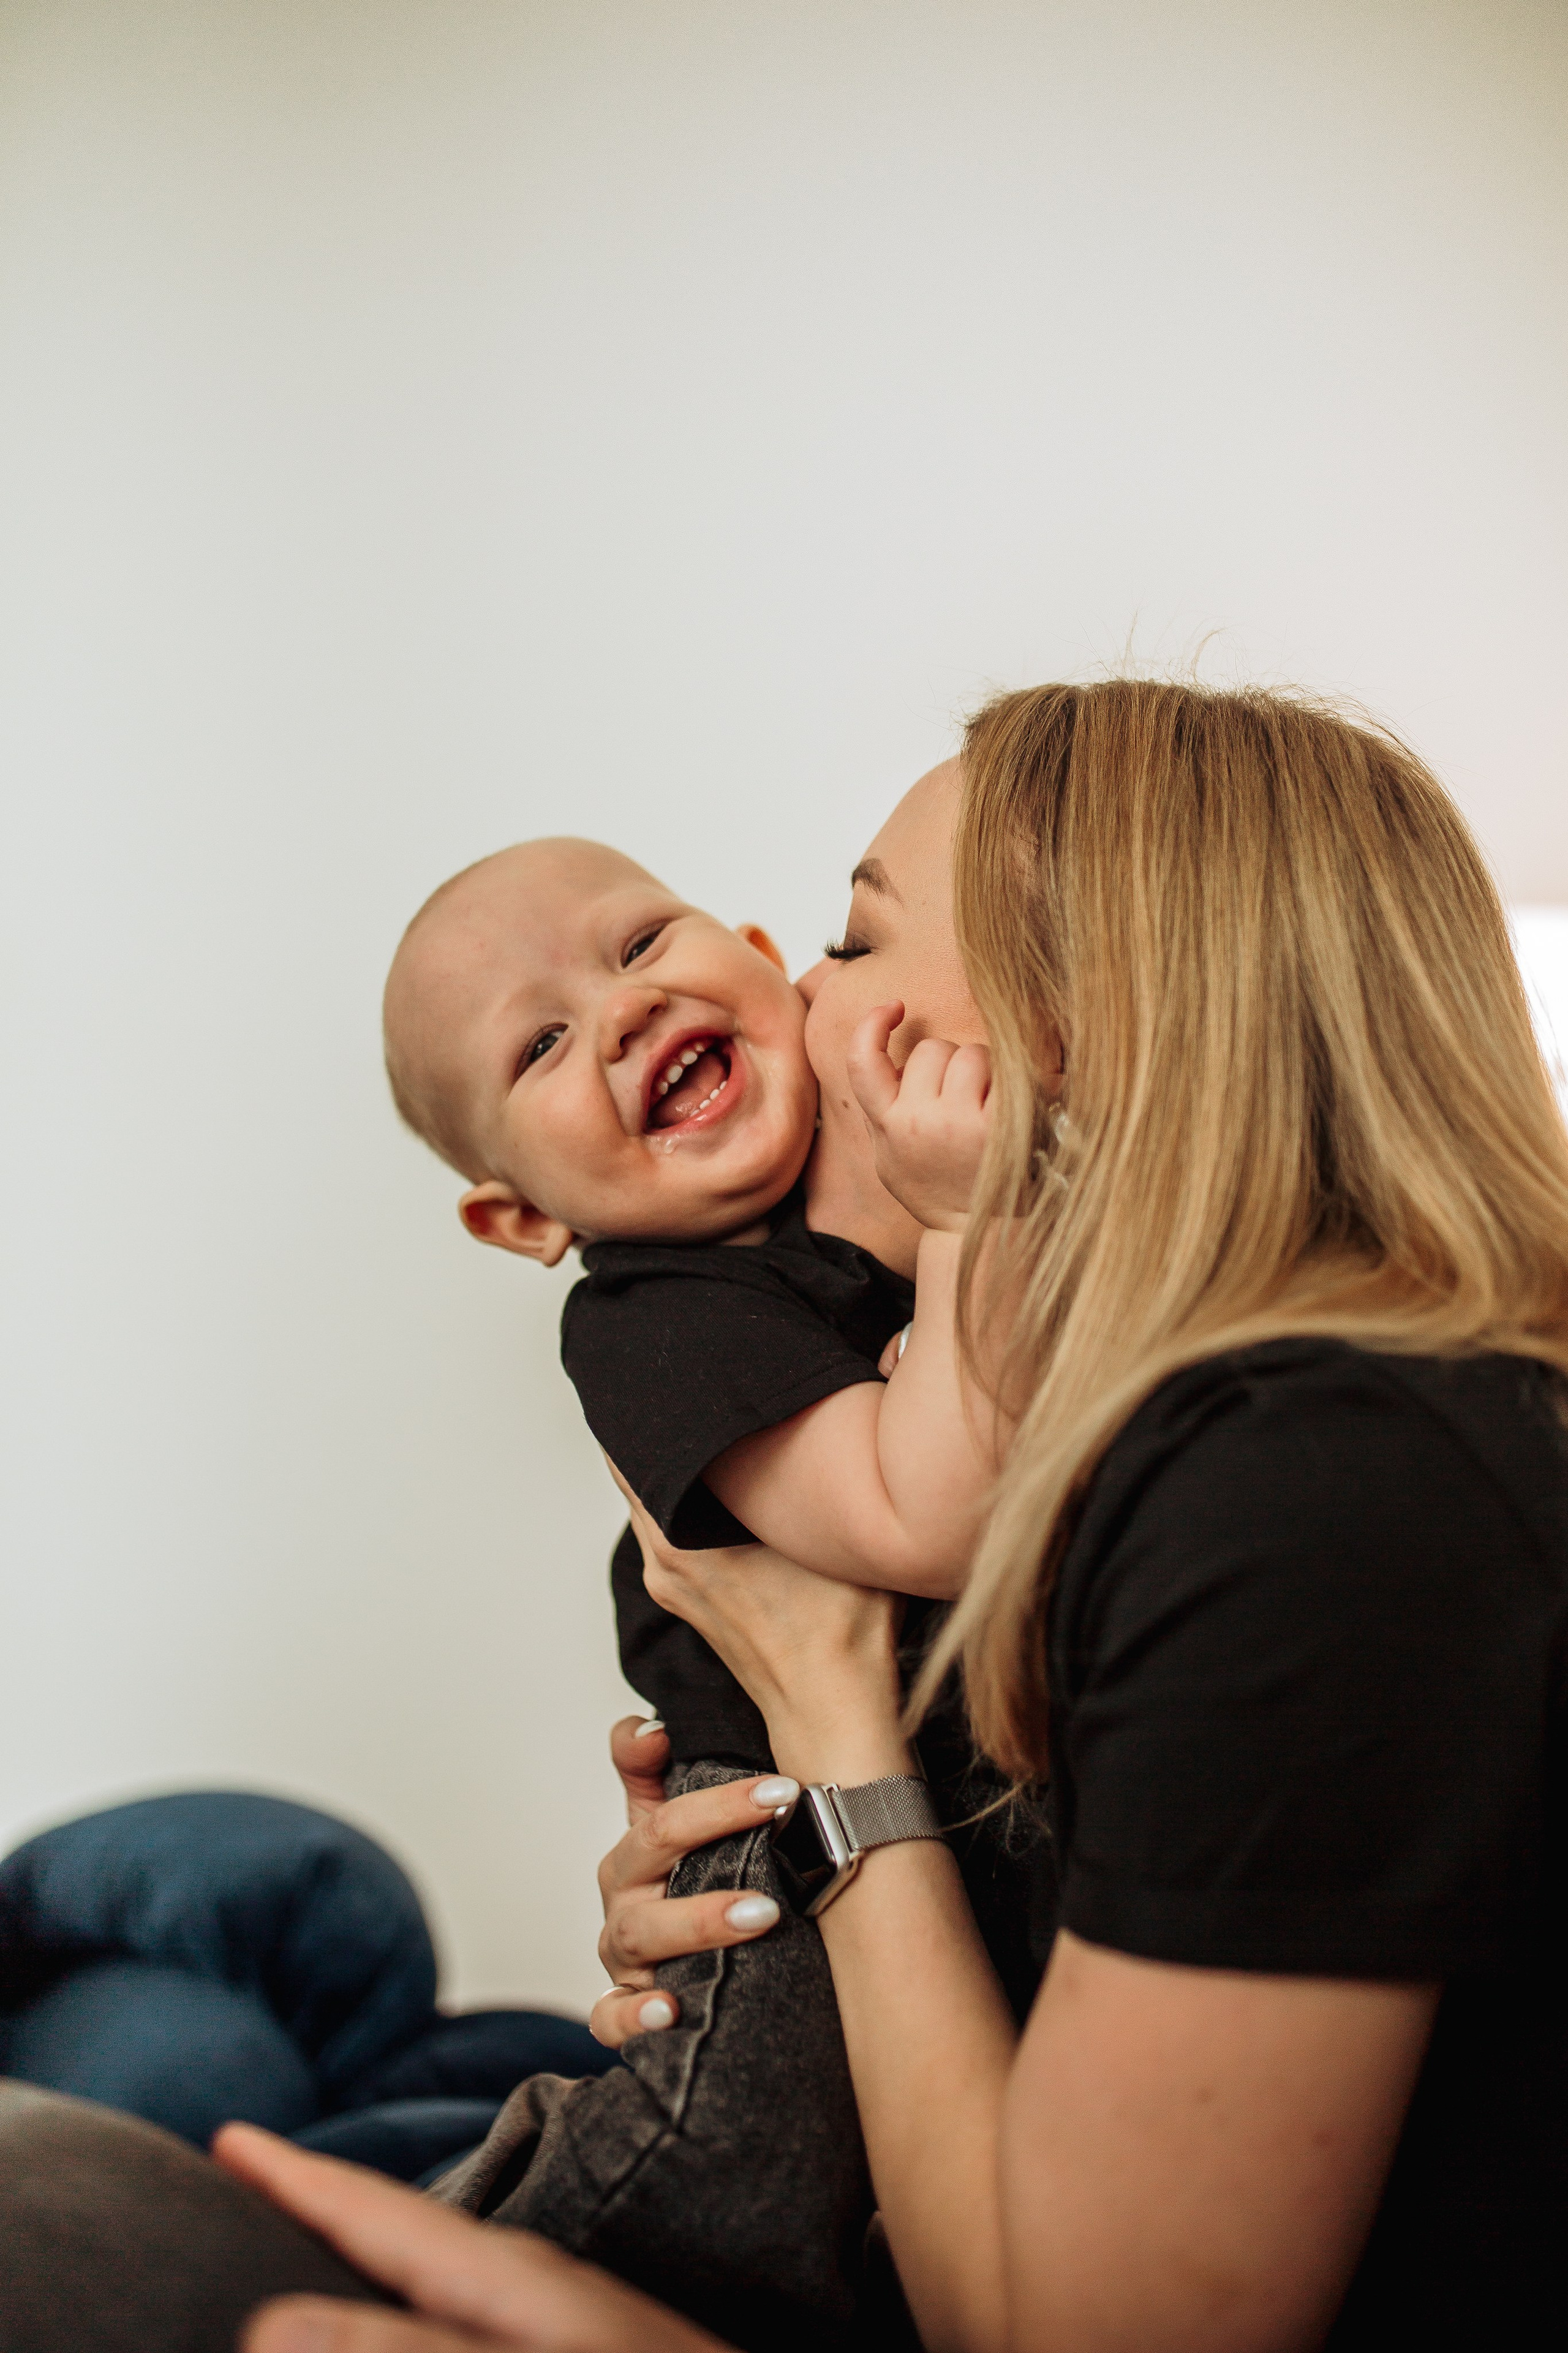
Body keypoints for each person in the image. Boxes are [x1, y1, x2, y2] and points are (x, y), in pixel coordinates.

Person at [232, 678, 1568, 2352]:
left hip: (859, 2077)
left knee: (207, 2029)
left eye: (851, 942)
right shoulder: (688, 1316)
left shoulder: (1301, 1484)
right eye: (544, 1040)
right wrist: (802, 1813)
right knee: (270, 1951)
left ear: (1085, 1015)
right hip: (787, 1943)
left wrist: (836, 1755)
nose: (804, 992)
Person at [376, 830, 1014, 2346]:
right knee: (713, 2145)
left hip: (918, 1810)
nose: (622, 1011)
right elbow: (922, 1518)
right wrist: (970, 1224)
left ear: (770, 967)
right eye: (541, 1043)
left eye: (641, 943)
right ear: (521, 1217)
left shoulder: (868, 1171)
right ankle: (429, 2269)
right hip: (775, 1825)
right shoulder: (654, 1315)